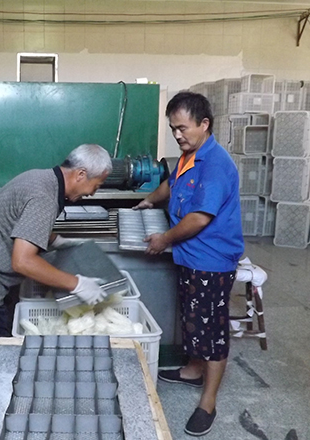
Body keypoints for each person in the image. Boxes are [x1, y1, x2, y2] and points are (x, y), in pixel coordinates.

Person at [133, 92, 244, 436]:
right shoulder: (189, 157)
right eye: (173, 129)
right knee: (194, 321)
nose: (177, 135)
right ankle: (194, 370)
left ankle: (207, 402)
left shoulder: (215, 165)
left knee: (212, 331)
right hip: (190, 257)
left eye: (182, 128)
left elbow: (199, 218)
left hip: (211, 261)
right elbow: (171, 184)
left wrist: (164, 239)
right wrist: (148, 200)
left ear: (204, 124)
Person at [0, 143, 113, 337]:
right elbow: (22, 262)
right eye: (96, 186)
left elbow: (21, 221)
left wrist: (54, 240)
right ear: (81, 174)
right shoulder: (44, 198)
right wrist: (77, 284)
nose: (92, 193)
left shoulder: (41, 178)